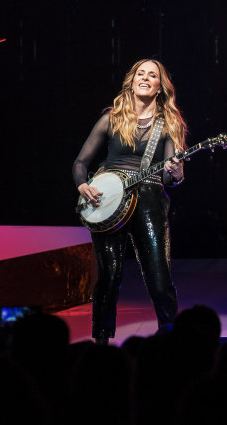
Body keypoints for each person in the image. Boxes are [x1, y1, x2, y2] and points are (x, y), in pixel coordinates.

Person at [73, 58, 187, 344]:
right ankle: (100, 342)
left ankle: (171, 339)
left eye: (152, 75)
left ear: (161, 87)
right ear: (132, 80)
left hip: (149, 198)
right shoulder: (111, 118)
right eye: (140, 74)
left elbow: (170, 178)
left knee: (158, 277)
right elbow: (80, 162)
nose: (145, 78)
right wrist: (83, 185)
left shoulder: (169, 123)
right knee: (109, 276)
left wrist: (177, 172)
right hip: (108, 201)